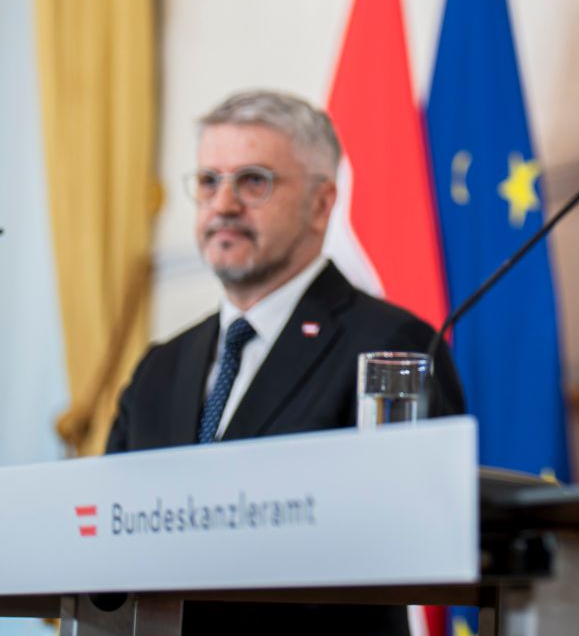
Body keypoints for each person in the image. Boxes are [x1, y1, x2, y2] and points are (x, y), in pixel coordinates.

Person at [106, 89, 465, 636]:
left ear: (321, 204)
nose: (223, 204)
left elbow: (407, 531)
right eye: (209, 181)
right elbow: (104, 531)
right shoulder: (160, 366)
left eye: (254, 181)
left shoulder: (395, 345)